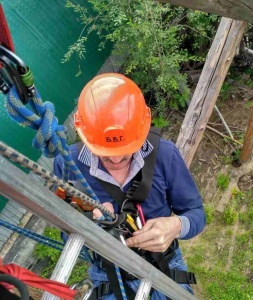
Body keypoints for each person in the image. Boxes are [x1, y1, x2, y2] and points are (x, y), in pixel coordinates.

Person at [53, 73, 206, 300]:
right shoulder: (68, 165)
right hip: (108, 272)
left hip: (164, 261)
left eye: (125, 151)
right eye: (106, 153)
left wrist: (175, 225)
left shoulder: (164, 155)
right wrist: (86, 221)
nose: (115, 161)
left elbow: (197, 215)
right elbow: (67, 236)